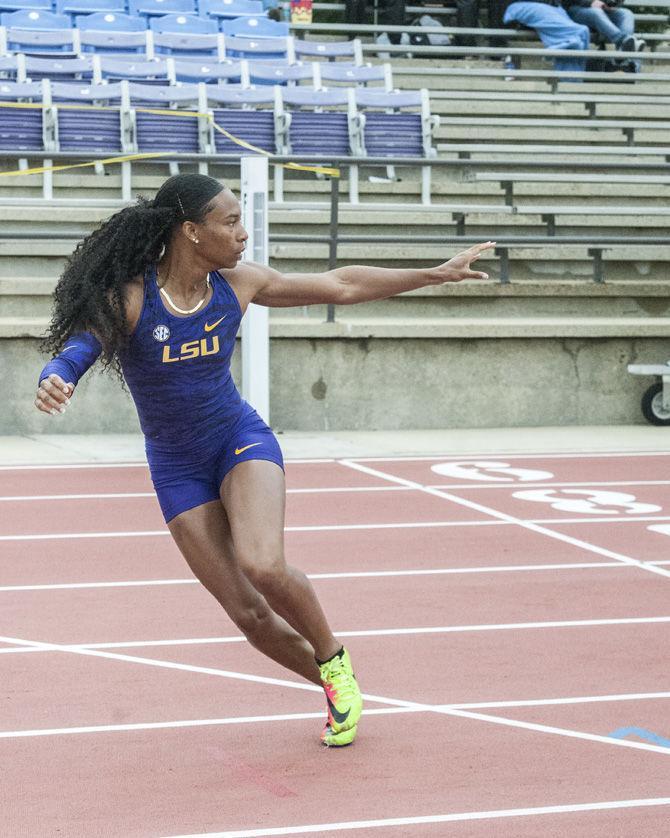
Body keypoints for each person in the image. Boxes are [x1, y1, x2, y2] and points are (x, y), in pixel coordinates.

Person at [35, 173, 494, 748]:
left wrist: (432, 274)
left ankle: (334, 658)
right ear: (191, 231)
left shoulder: (240, 285)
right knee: (249, 616)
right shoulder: (131, 299)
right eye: (229, 222)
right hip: (176, 466)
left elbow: (341, 284)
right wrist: (56, 375)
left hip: (238, 439)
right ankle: (335, 687)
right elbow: (79, 348)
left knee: (263, 564)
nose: (243, 234)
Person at [503, 0, 591, 77]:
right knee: (579, 31)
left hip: (554, 7)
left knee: (582, 35)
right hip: (528, 5)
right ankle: (555, 51)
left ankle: (571, 84)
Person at [564, 0, 645, 72]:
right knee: (596, 12)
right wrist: (591, 2)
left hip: (603, 10)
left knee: (627, 14)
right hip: (577, 9)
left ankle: (622, 57)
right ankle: (623, 42)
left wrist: (614, 4)